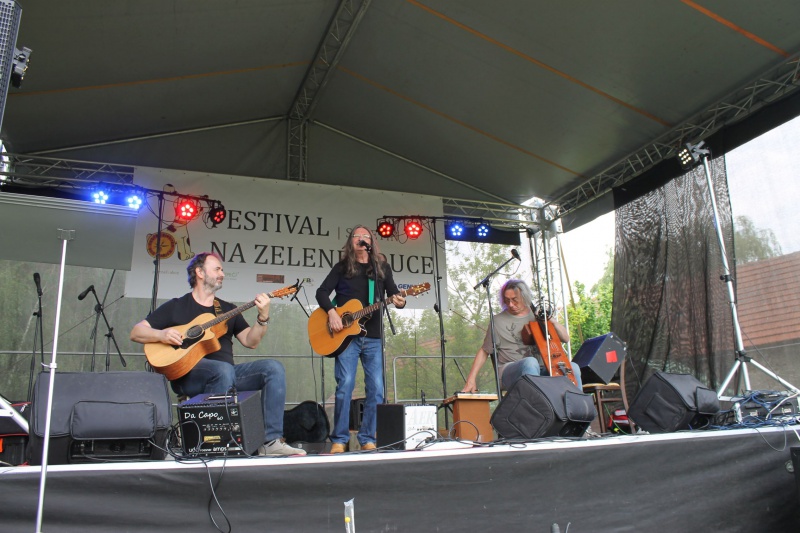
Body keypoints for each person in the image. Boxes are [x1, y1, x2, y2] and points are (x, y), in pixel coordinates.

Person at [130, 252, 306, 457]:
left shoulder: (227, 309)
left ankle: (270, 442)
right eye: (217, 269)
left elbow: (251, 341)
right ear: (199, 272)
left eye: (222, 269)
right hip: (188, 375)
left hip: (227, 375)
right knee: (222, 370)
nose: (222, 273)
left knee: (273, 368)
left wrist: (263, 316)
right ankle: (214, 443)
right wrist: (162, 334)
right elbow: (136, 332)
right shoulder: (176, 306)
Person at [315, 225, 406, 454]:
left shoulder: (381, 268)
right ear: (350, 242)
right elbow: (321, 292)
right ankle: (339, 439)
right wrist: (332, 312)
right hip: (346, 339)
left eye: (366, 236)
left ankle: (367, 438)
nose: (361, 239)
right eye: (357, 236)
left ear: (372, 243)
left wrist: (400, 300)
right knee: (345, 386)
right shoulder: (342, 267)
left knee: (376, 388)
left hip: (373, 336)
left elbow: (393, 292)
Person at [461, 279, 582, 394]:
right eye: (507, 300)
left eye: (515, 300)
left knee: (573, 367)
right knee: (530, 363)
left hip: (542, 370)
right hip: (510, 371)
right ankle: (537, 411)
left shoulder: (538, 315)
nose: (511, 304)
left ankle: (577, 410)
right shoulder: (497, 321)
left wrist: (551, 321)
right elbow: (484, 351)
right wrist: (471, 379)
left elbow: (565, 338)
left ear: (524, 297)